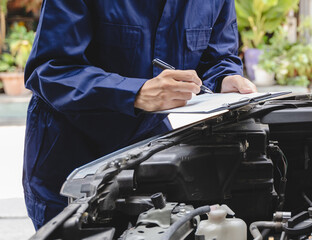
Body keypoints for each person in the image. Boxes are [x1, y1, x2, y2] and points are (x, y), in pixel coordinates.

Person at [22, 0, 256, 229]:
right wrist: (134, 93)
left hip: (160, 163)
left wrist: (224, 79)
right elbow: (50, 70)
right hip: (74, 161)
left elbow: (218, 59)